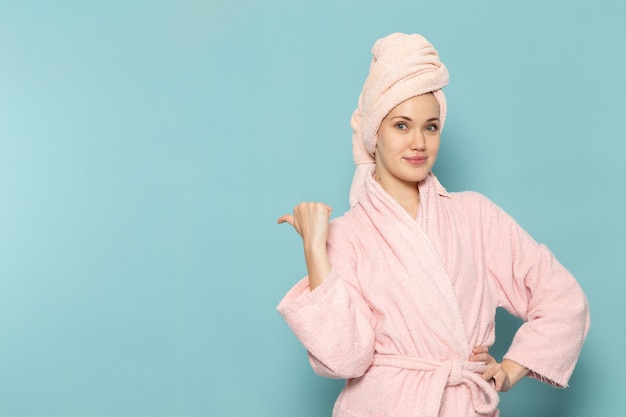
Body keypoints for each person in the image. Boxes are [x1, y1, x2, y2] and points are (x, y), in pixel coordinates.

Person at [276, 33, 590, 417]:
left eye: (431, 126)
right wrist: (314, 249)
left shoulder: (475, 216)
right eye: (401, 126)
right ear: (375, 133)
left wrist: (509, 370)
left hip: (462, 404)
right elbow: (346, 359)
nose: (419, 143)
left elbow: (562, 300)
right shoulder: (346, 235)